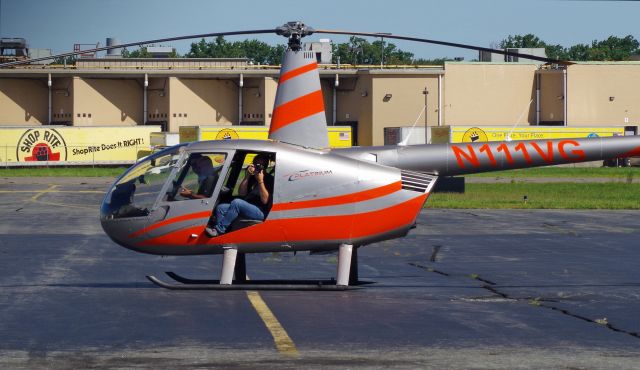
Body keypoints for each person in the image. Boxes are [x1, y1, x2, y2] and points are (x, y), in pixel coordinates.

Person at [206, 153, 273, 237]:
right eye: (256, 164)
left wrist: (260, 181)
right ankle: (225, 235)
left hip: (261, 211)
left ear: (265, 166)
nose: (258, 167)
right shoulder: (252, 178)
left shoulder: (270, 180)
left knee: (237, 202)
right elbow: (242, 193)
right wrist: (247, 177)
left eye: (261, 165)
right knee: (221, 208)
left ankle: (219, 229)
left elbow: (265, 201)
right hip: (248, 206)